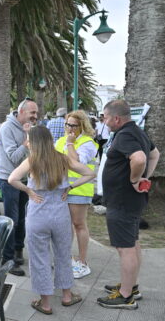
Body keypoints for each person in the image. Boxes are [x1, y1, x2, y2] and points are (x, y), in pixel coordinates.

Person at [8, 126, 95, 315]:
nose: (27, 142)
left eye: (29, 139)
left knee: (39, 257)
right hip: (60, 213)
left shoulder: (32, 160)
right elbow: (90, 173)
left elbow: (12, 179)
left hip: (38, 213)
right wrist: (70, 187)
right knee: (63, 254)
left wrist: (29, 191)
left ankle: (45, 303)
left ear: (35, 142)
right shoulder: (62, 158)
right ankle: (66, 296)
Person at [97, 100, 160, 309]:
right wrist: (144, 179)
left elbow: (141, 158)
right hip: (129, 201)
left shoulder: (125, 135)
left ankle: (125, 296)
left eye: (105, 118)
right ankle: (130, 286)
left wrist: (136, 179)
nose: (104, 122)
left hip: (122, 200)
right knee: (132, 243)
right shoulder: (136, 131)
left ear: (116, 118)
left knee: (125, 248)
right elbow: (154, 154)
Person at [0, 98, 38, 276]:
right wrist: (28, 140)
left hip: (24, 178)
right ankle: (7, 259)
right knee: (12, 219)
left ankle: (18, 250)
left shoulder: (28, 128)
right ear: (21, 112)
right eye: (32, 113)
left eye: (36, 113)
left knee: (22, 217)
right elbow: (14, 156)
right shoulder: (7, 128)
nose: (36, 116)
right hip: (8, 180)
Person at [55, 110, 98, 279]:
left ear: (82, 126)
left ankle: (82, 261)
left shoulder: (87, 143)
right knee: (65, 226)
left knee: (79, 224)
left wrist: (71, 144)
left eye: (74, 125)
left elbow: (77, 162)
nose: (70, 128)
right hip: (61, 189)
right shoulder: (59, 141)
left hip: (79, 190)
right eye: (68, 124)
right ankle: (66, 259)